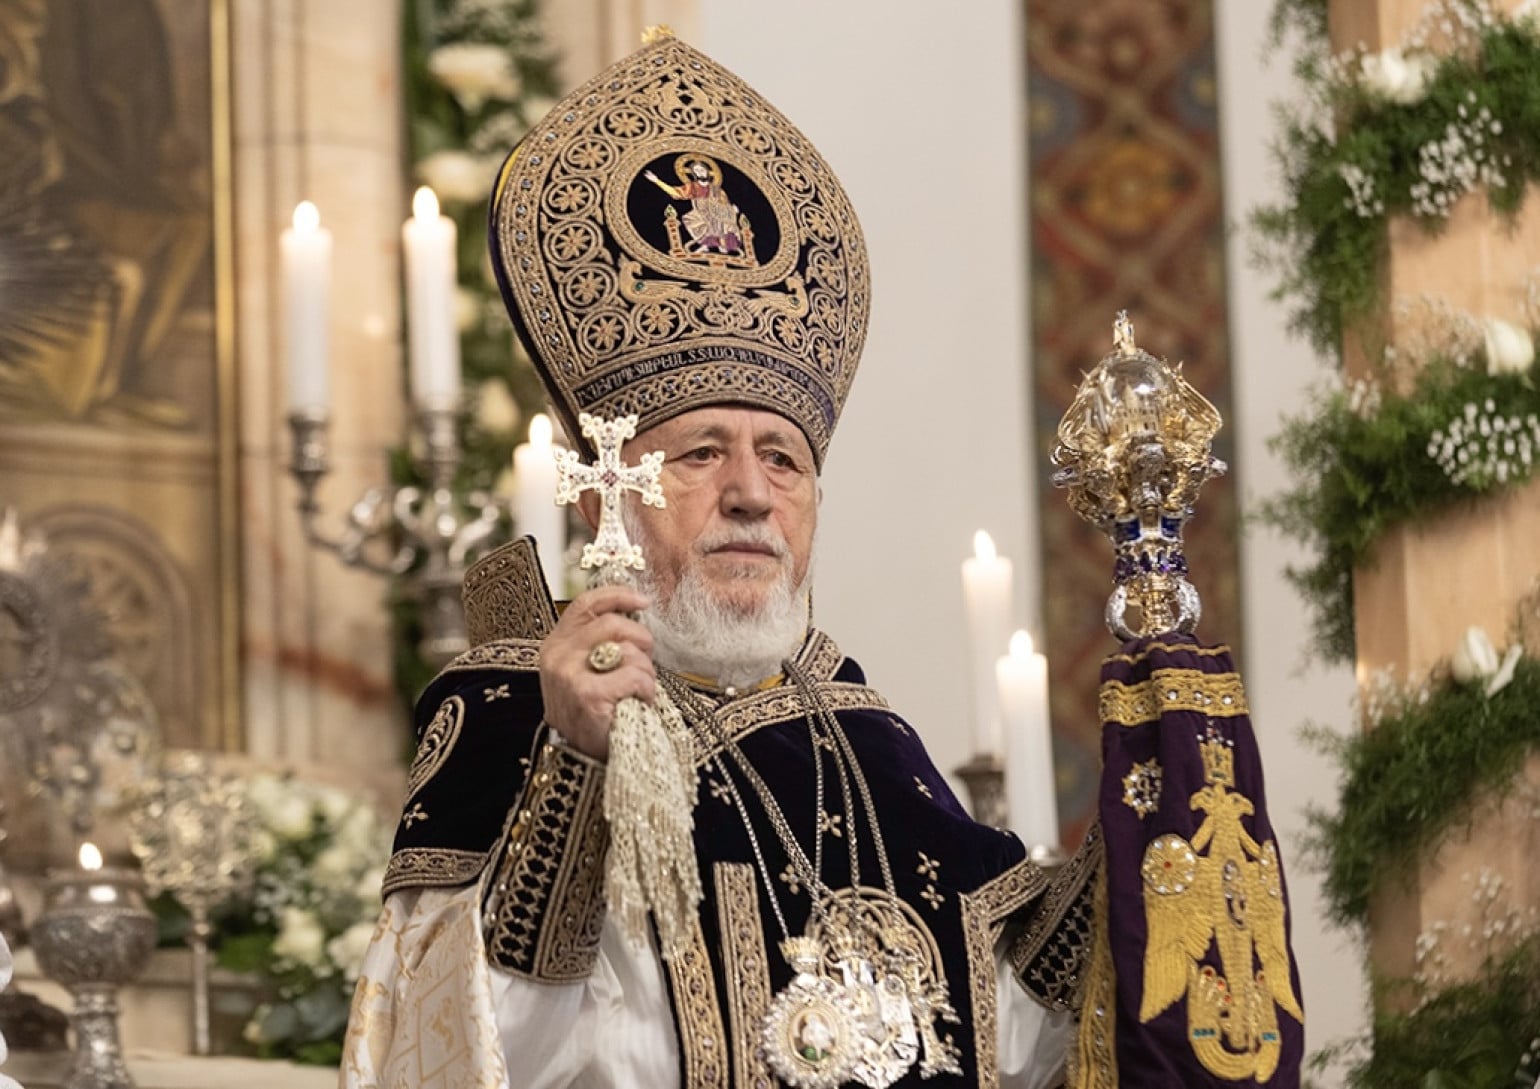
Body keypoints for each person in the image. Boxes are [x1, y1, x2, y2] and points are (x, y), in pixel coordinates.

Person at [341, 29, 1303, 1089]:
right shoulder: (510, 710)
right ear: (604, 490)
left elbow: (1014, 1026)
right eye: (700, 453)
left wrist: (1146, 813)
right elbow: (460, 1044)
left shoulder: (861, 737)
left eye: (783, 460)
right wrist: (573, 765)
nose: (751, 493)